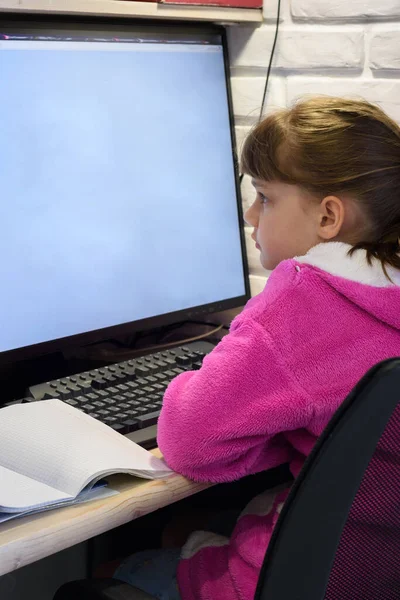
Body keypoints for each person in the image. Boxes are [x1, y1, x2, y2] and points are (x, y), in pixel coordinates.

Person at [113, 96, 400, 600]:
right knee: (192, 525)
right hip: (376, 571)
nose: (250, 214)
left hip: (292, 583)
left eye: (265, 197)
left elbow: (189, 443)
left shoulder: (305, 299)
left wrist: (191, 377)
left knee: (126, 566)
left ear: (329, 217)